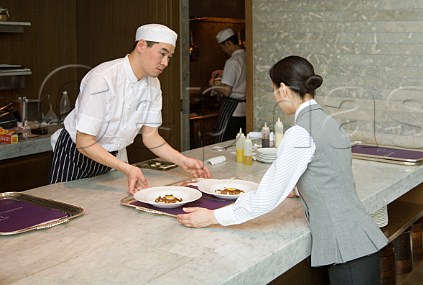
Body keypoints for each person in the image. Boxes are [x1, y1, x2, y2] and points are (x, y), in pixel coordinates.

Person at [177, 55, 387, 285]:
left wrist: (212, 217)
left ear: (283, 89)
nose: (276, 97)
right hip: (358, 238)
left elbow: (266, 198)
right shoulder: (327, 121)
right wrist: (299, 189)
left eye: (274, 90)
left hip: (346, 250)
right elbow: (329, 170)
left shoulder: (300, 133)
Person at [49, 24, 211, 195]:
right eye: (162, 54)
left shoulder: (153, 85)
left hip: (110, 158)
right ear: (141, 45)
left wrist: (182, 160)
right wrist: (126, 168)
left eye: (169, 57)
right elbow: (84, 141)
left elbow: (151, 137)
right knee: (66, 210)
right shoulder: (103, 78)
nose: (165, 63)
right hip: (76, 155)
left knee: (101, 211)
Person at [208, 28, 246, 142]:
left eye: (223, 47)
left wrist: (212, 85)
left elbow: (226, 91)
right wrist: (225, 72)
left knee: (224, 142)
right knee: (239, 143)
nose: (224, 50)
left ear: (228, 43)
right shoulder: (247, 57)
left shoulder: (232, 61)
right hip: (244, 109)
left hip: (232, 110)